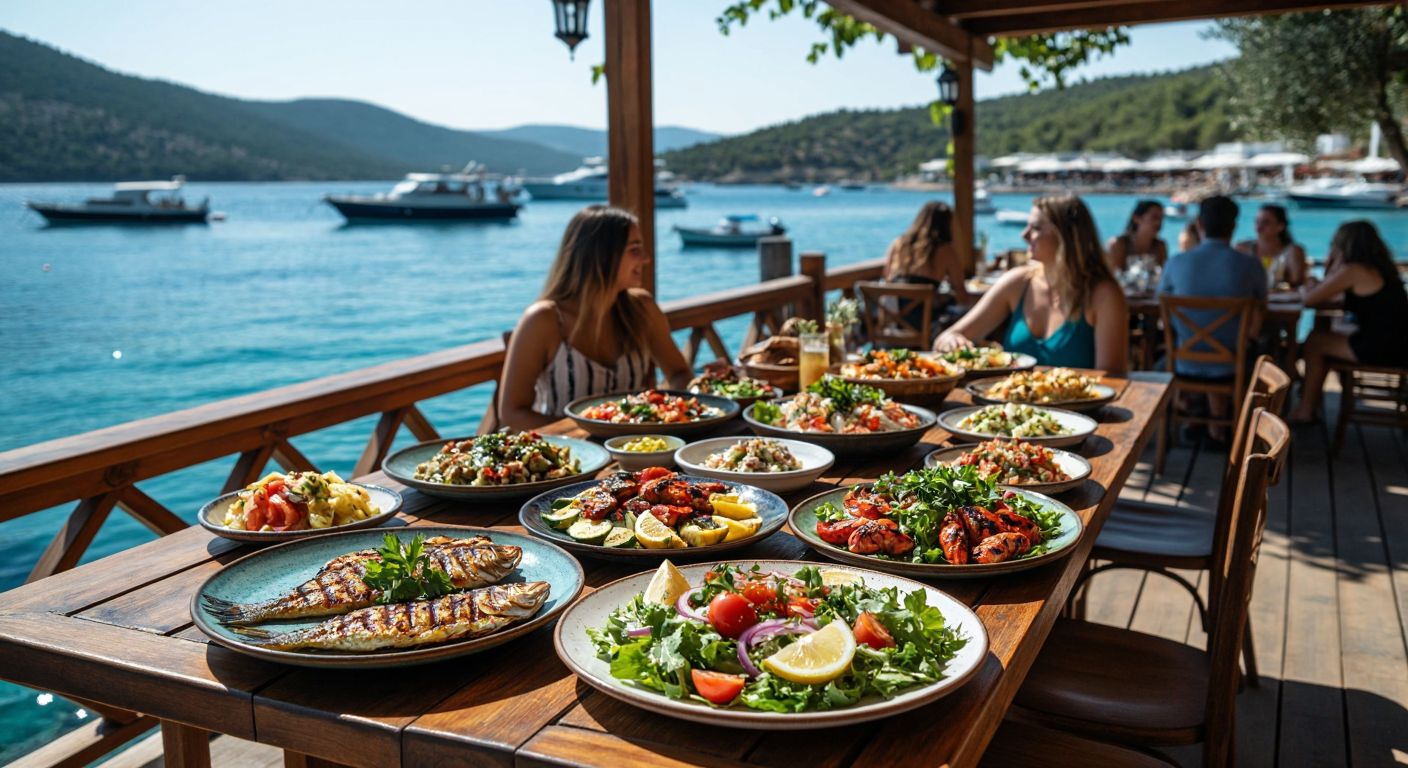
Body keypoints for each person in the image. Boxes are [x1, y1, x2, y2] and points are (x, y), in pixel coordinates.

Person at [497, 206, 692, 428]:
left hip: (639, 450)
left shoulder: (641, 308)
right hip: (568, 454)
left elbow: (679, 373)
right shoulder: (544, 320)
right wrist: (590, 432)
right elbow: (512, 414)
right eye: (635, 249)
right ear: (601, 255)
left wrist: (674, 411)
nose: (646, 259)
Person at [933, 194, 1128, 375]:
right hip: (1013, 407)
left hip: (1082, 410)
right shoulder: (1017, 283)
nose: (1024, 235)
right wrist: (952, 341)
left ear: (1066, 236)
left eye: (1036, 228)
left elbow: (1113, 378)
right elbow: (946, 338)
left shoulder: (1103, 295)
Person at [1156, 195, 1267, 440]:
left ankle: (1191, 411)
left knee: (1158, 356)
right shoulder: (1250, 265)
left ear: (1199, 224)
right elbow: (1262, 306)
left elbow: (1161, 309)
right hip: (1232, 362)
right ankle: (1219, 423)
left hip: (1183, 362)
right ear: (1234, 226)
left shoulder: (1176, 262)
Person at [1289, 220, 1408, 423]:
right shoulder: (1379, 270)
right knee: (1322, 338)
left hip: (1384, 348)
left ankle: (1306, 409)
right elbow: (1333, 294)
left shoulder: (1353, 270)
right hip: (1398, 344)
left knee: (1315, 343)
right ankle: (1312, 402)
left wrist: (1325, 267)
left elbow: (1310, 300)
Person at [883, 201, 973, 306]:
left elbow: (887, 277)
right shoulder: (945, 250)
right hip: (925, 319)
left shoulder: (898, 243)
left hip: (893, 315)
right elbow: (960, 291)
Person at [1237, 204, 1308, 288]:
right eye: (1257, 221)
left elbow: (1297, 283)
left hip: (1283, 299)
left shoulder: (1292, 251)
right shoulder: (1243, 249)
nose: (1259, 227)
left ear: (1280, 226)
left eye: (1266, 223)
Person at [1105, 200, 1168, 273]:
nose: (1159, 222)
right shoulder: (1119, 244)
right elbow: (1112, 275)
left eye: (1161, 218)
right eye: (1154, 217)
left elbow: (1164, 276)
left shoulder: (1160, 246)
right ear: (1136, 218)